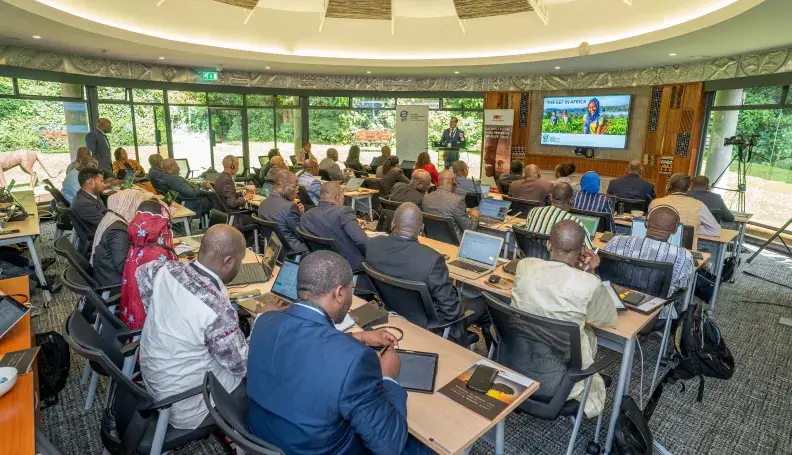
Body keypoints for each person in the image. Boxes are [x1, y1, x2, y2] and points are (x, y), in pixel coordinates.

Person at [247, 250, 430, 455]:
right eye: (352, 290)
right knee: (423, 445)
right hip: (318, 450)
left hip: (263, 438)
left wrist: (359, 337)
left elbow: (305, 342)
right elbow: (389, 445)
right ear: (340, 293)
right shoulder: (355, 359)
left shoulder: (263, 321)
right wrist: (387, 378)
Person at [138, 225, 248, 430]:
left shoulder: (167, 269)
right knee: (261, 384)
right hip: (187, 404)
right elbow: (243, 367)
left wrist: (159, 313)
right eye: (240, 261)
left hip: (155, 383)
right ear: (228, 261)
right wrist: (261, 324)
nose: (239, 266)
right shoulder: (217, 308)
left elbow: (141, 272)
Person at [511, 220, 616, 418]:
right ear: (584, 249)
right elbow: (607, 319)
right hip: (562, 378)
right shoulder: (588, 283)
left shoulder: (525, 266)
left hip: (519, 360)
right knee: (587, 333)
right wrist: (591, 273)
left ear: (549, 245)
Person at [366, 203, 489, 344]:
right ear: (421, 229)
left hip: (393, 313)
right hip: (432, 327)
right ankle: (495, 361)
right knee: (484, 303)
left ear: (393, 223)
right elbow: (452, 312)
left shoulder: (372, 245)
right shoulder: (432, 260)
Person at [603, 205, 694, 320]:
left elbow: (602, 268)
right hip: (653, 311)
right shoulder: (684, 256)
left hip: (613, 301)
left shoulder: (617, 241)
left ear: (646, 224)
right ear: (675, 230)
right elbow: (682, 286)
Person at [120, 199, 176, 330]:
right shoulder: (158, 253)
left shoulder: (138, 243)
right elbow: (171, 291)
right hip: (154, 321)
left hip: (135, 309)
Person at [300, 182, 368, 271]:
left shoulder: (305, 216)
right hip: (350, 268)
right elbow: (362, 242)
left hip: (321, 266)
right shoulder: (343, 212)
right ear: (338, 196)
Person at [91, 189, 148, 288]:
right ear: (130, 206)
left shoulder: (111, 217)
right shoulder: (119, 231)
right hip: (113, 282)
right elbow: (123, 267)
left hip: (104, 271)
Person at [649, 173, 720, 249]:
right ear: (689, 188)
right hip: (686, 253)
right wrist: (694, 229)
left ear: (669, 186)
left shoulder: (655, 203)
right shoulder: (699, 205)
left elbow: (648, 226)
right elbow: (715, 231)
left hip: (657, 248)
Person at [524, 183, 594, 249]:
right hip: (555, 261)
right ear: (571, 200)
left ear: (551, 197)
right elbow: (589, 248)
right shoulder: (574, 222)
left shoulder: (533, 211)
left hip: (531, 259)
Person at [257, 170, 307, 253]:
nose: (297, 191)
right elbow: (303, 235)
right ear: (284, 188)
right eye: (295, 187)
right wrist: (302, 216)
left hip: (276, 250)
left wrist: (298, 213)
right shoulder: (290, 207)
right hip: (296, 251)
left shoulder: (263, 204)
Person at [422, 170, 478, 239]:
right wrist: (475, 216)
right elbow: (470, 229)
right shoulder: (458, 200)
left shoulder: (426, 198)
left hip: (432, 241)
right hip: (454, 245)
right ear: (454, 182)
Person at [214, 155, 254, 226]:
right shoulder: (227, 180)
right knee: (257, 217)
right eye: (237, 166)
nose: (238, 168)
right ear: (232, 166)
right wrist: (245, 198)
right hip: (232, 218)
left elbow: (227, 196)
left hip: (224, 215)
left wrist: (242, 193)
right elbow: (232, 203)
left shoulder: (219, 178)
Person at [71, 167, 107, 235]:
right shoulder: (84, 203)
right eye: (101, 181)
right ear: (91, 181)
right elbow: (107, 223)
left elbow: (105, 211)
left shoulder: (90, 195)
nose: (104, 185)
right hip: (101, 239)